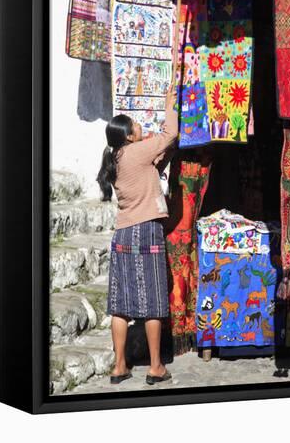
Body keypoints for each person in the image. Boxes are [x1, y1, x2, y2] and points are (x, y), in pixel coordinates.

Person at [96, 85, 178, 385]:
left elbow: (152, 167)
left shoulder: (116, 157)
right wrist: (169, 104)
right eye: (135, 123)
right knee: (153, 302)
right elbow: (170, 134)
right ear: (129, 135)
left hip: (123, 233)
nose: (139, 125)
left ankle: (120, 366)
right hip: (146, 231)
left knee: (121, 304)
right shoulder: (138, 150)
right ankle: (156, 367)